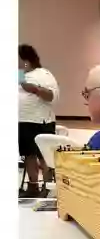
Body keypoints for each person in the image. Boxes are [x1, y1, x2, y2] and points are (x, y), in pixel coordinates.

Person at [18, 43, 59, 198]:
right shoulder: (18, 75)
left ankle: (47, 187)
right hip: (22, 121)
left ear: (27, 60)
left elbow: (52, 96)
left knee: (43, 156)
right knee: (28, 155)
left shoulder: (43, 74)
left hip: (41, 121)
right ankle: (33, 186)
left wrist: (35, 89)